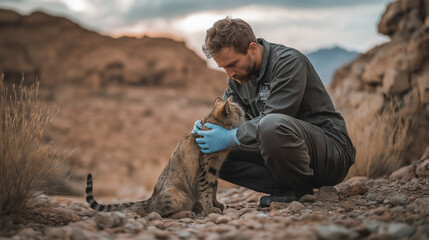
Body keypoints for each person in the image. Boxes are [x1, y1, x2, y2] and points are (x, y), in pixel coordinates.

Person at [192, 17, 355, 207]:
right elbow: (226, 121)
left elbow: (272, 120)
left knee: (270, 125)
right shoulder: (236, 79)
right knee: (208, 151)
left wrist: (229, 137)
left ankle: (296, 190)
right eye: (223, 67)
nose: (229, 74)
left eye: (232, 64)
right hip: (281, 153)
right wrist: (206, 130)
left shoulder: (288, 62)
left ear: (252, 48)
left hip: (330, 154)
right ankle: (286, 190)